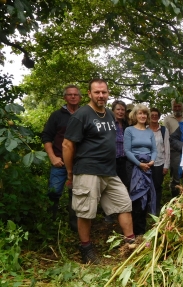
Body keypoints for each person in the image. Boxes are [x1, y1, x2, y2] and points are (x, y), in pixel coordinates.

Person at [63, 79, 134, 264]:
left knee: (124, 204)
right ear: (89, 94)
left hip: (109, 171)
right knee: (85, 211)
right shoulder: (82, 115)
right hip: (87, 170)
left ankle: (131, 244)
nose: (101, 95)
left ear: (108, 93)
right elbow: (67, 144)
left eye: (104, 92)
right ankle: (86, 249)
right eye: (97, 92)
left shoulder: (110, 114)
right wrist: (70, 173)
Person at [41, 84, 81, 231]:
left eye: (75, 94)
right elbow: (46, 137)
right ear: (65, 97)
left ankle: (75, 227)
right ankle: (49, 225)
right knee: (53, 192)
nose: (73, 97)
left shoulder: (84, 114)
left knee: (76, 194)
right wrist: (52, 157)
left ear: (80, 97)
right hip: (60, 161)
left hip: (79, 163)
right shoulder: (57, 115)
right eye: (70, 94)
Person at [124, 104, 157, 235]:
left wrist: (152, 161)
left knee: (146, 198)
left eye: (145, 114)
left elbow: (154, 150)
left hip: (148, 168)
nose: (142, 116)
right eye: (140, 113)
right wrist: (139, 163)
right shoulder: (129, 130)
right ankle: (133, 232)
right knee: (136, 199)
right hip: (134, 168)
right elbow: (127, 150)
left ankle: (141, 232)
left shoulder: (149, 132)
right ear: (135, 115)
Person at [164, 100, 183, 198]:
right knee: (176, 176)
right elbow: (167, 137)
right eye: (175, 106)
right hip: (174, 152)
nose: (177, 108)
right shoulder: (167, 119)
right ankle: (175, 198)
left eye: (179, 106)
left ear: (182, 107)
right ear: (172, 107)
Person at [149, 108, 170, 214]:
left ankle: (156, 209)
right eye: (151, 115)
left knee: (157, 187)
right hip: (147, 163)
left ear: (159, 116)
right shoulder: (144, 129)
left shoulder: (163, 130)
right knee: (147, 186)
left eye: (156, 115)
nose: (154, 116)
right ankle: (148, 208)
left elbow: (167, 147)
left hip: (159, 163)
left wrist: (166, 165)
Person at [112, 100, 129, 188]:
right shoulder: (110, 124)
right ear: (113, 111)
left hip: (125, 161)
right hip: (112, 160)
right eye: (118, 109)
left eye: (123, 110)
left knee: (124, 186)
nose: (120, 112)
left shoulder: (127, 125)